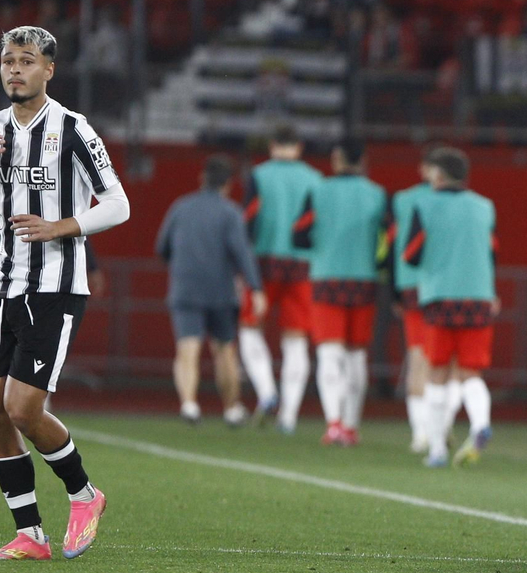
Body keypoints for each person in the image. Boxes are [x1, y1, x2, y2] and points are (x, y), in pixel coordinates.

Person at [0, 25, 131, 561]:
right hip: (3, 286)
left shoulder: (74, 129)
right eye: (8, 60)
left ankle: (85, 494)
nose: (15, 69)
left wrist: (62, 226)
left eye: (27, 60)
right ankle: (30, 535)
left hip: (55, 288)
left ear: (48, 70)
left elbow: (119, 204)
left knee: (22, 407)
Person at [405, 148, 499, 468]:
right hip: (479, 298)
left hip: (438, 298)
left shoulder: (424, 204)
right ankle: (480, 422)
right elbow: (492, 253)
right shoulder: (485, 207)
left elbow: (411, 254)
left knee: (437, 373)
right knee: (471, 372)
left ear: (438, 175)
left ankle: (436, 451)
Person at [156, 153, 265, 427]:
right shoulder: (231, 212)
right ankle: (230, 409)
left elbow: (162, 248)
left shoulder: (180, 207)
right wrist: (256, 288)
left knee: (187, 349)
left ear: (202, 178)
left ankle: (189, 405)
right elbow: (242, 254)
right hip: (220, 290)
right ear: (228, 184)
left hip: (185, 288)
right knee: (225, 350)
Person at [294, 139, 388, 447]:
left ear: (336, 159)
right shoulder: (377, 194)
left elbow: (299, 233)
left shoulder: (319, 190)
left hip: (326, 280)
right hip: (364, 281)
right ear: (362, 161)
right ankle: (351, 426)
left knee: (328, 353)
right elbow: (387, 241)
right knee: (356, 356)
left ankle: (333, 423)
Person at [239, 126, 323, 432]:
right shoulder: (315, 179)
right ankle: (289, 415)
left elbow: (247, 220)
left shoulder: (259, 175)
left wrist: (241, 267)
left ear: (273, 145)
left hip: (264, 263)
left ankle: (266, 391)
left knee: (250, 327)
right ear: (299, 147)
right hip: (304, 267)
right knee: (297, 340)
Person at [391, 150, 436, 454]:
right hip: (448, 290)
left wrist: (396, 290)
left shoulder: (403, 200)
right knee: (445, 364)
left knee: (418, 356)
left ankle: (421, 433)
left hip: (411, 287)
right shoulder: (470, 204)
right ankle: (437, 431)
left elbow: (396, 246)